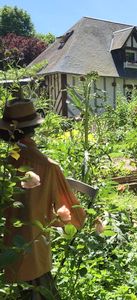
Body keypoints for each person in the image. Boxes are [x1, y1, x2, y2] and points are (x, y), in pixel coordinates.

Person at [0, 99, 86, 299]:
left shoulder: (4, 164)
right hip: (33, 259)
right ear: (33, 129)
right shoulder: (48, 167)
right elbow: (75, 218)